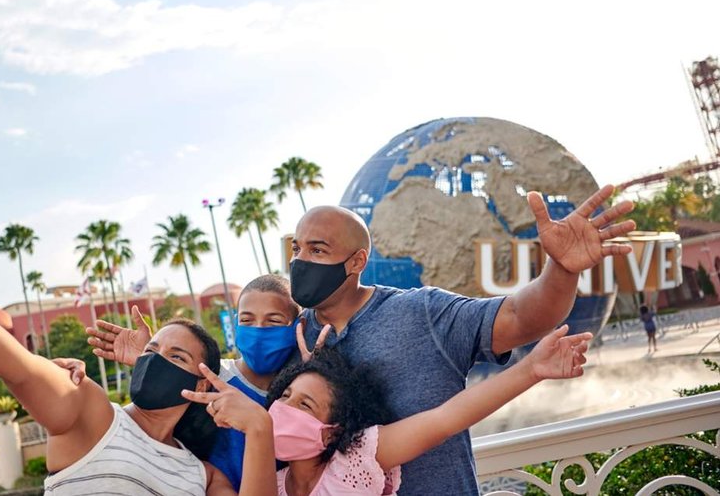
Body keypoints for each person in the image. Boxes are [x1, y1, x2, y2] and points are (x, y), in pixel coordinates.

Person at [0, 189, 274, 495]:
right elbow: (14, 364)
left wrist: (259, 427)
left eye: (175, 355)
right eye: (151, 350)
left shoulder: (201, 474)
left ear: (203, 383)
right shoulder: (93, 414)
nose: (154, 359)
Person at [290, 185, 634, 494]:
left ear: (358, 261)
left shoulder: (422, 312)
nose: (301, 261)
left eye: (317, 250)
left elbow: (522, 318)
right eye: (297, 248)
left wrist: (562, 268)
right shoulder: (290, 335)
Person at [182, 325, 591, 496]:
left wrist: (531, 370)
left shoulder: (357, 457)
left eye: (304, 403)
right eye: (283, 397)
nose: (283, 408)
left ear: (331, 430)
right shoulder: (273, 479)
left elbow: (445, 418)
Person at [86, 274, 317, 490]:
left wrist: (317, 373)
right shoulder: (208, 378)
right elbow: (144, 419)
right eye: (247, 320)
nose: (258, 329)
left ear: (299, 326)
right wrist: (153, 359)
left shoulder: (300, 396)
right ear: (236, 323)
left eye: (273, 321)